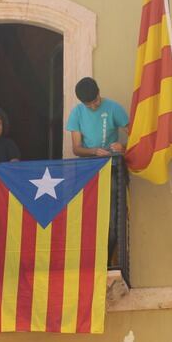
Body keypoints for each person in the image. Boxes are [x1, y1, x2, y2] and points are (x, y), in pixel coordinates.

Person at [66, 77, 129, 256]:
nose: (93, 107)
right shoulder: (77, 113)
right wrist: (94, 151)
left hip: (112, 169)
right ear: (81, 103)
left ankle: (108, 258)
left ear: (99, 92)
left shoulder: (114, 108)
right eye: (88, 105)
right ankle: (89, 257)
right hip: (88, 171)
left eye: (95, 102)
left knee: (112, 218)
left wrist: (123, 147)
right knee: (88, 217)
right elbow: (77, 149)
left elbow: (136, 135)